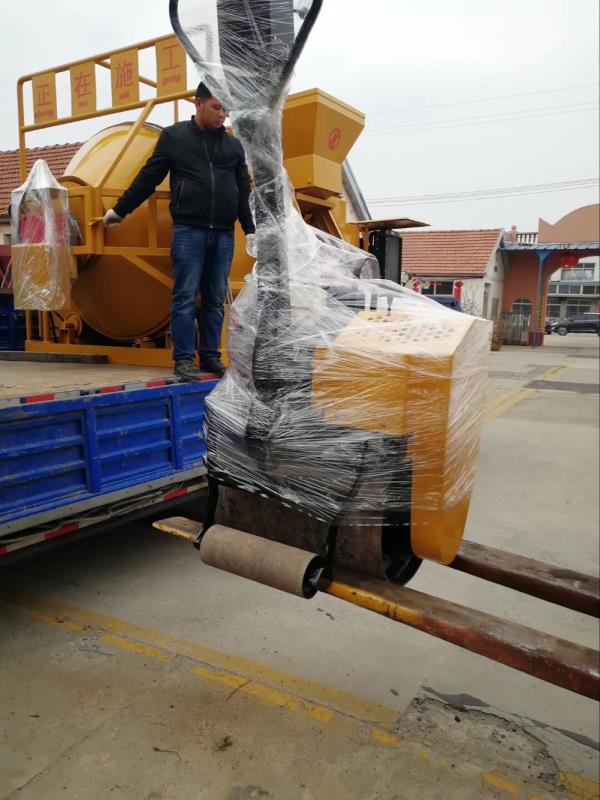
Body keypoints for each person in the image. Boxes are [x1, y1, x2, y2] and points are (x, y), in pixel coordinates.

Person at [103, 82, 255, 379]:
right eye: (216, 107)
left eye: (226, 109)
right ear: (198, 103)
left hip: (223, 233)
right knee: (185, 295)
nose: (222, 115)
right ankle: (184, 359)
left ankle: (210, 356)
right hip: (189, 230)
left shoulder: (233, 147)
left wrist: (249, 228)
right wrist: (120, 210)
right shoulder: (175, 137)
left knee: (215, 299)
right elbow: (149, 177)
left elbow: (242, 191)